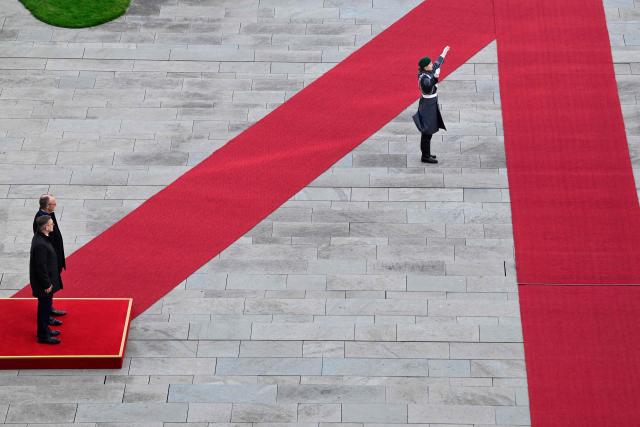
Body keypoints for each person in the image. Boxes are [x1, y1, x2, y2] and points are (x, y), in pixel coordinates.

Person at [413, 45, 450, 164]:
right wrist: (436, 77)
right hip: (428, 104)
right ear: (425, 67)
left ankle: (427, 153)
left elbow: (437, 64)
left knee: (428, 132)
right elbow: (428, 87)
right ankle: (425, 156)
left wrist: (443, 53)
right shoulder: (424, 78)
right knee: (427, 132)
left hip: (430, 103)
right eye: (429, 64)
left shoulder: (427, 71)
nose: (431, 65)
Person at [33, 194, 66, 324]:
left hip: (55, 257)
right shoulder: (41, 219)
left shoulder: (48, 214)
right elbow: (44, 243)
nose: (55, 206)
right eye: (54, 204)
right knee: (47, 288)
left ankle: (49, 309)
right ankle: (47, 316)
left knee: (51, 288)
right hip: (49, 260)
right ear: (47, 206)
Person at [30, 215, 62, 344]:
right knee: (43, 310)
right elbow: (40, 267)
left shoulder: (42, 238)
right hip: (44, 284)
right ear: (45, 227)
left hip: (47, 282)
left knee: (46, 307)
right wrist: (47, 284)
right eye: (51, 224)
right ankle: (43, 336)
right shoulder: (40, 244)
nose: (53, 225)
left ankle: (45, 330)